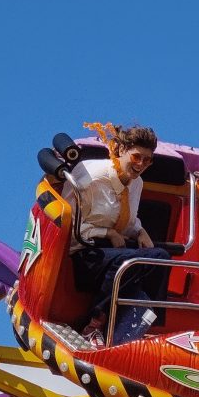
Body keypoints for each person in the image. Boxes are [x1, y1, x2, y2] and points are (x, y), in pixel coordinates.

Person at [64, 123, 169, 347]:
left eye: (147, 160)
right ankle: (93, 325)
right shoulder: (91, 175)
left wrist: (140, 231)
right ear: (121, 150)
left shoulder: (136, 183)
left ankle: (139, 321)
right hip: (82, 253)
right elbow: (68, 225)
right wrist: (107, 232)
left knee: (160, 256)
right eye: (136, 157)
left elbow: (128, 221)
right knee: (127, 261)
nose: (141, 165)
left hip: (109, 253)